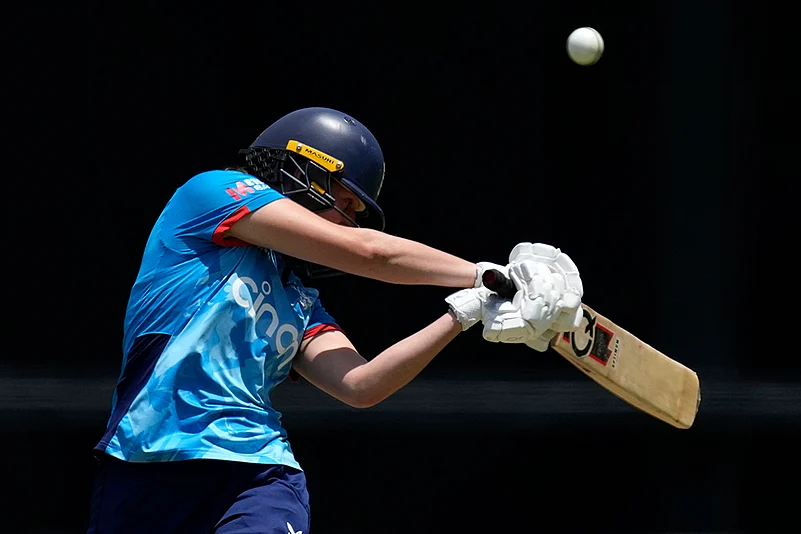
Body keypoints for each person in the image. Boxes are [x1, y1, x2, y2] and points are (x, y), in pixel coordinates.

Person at [86, 106, 585, 534]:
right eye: (341, 199)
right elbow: (369, 253)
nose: (346, 219)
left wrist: (465, 311)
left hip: (257, 473)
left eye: (354, 211)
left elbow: (360, 385)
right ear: (296, 165)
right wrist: (487, 274)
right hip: (142, 459)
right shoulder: (212, 195)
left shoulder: (299, 300)